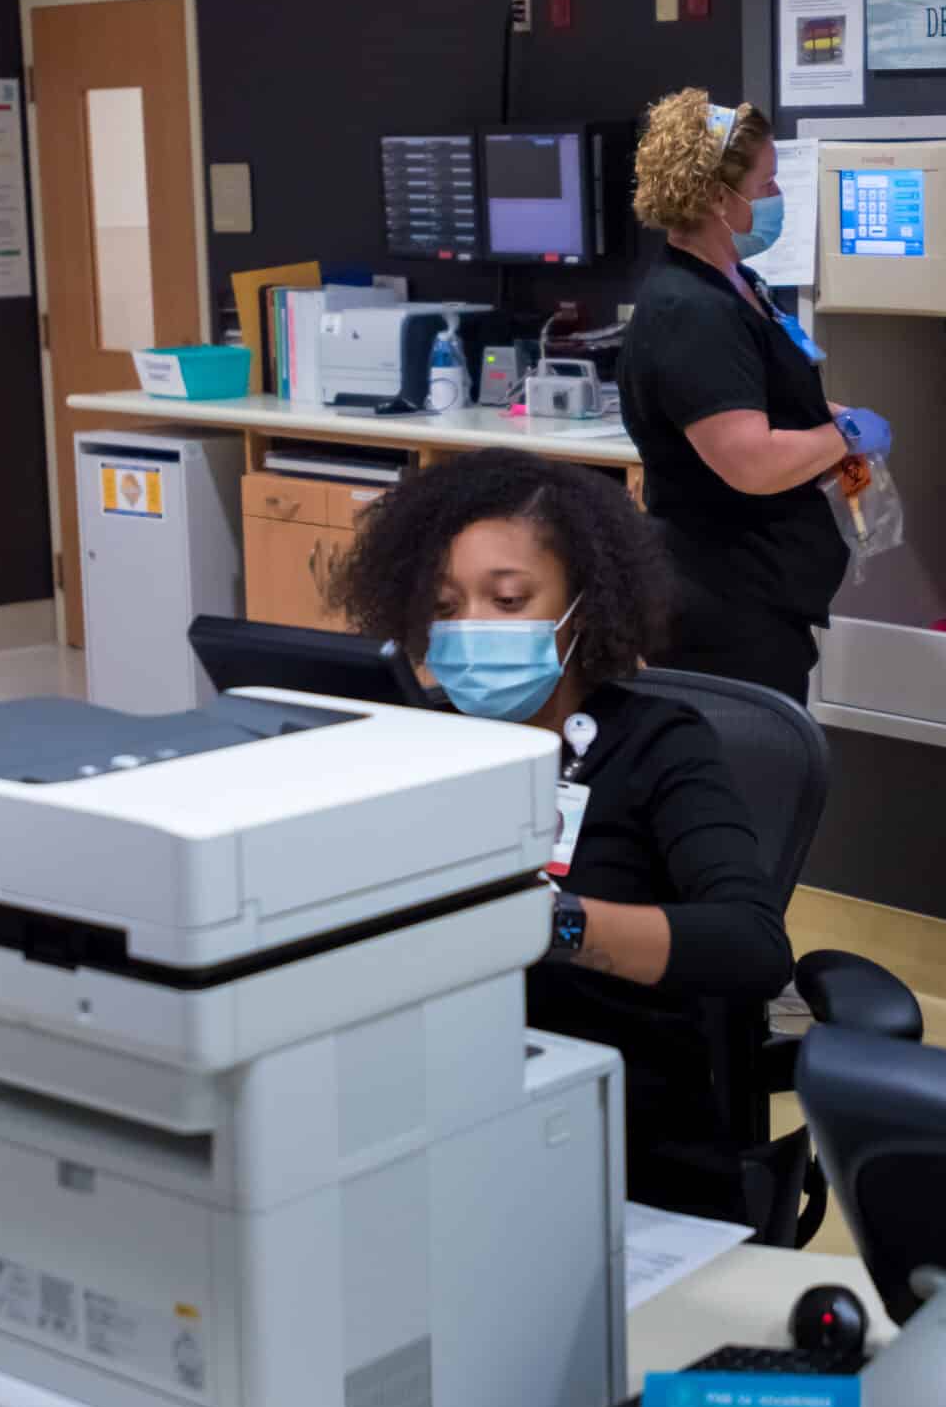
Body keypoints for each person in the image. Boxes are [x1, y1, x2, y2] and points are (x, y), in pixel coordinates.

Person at [331, 447, 795, 1226]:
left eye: (508, 600)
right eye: (448, 605)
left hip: (627, 1151)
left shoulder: (658, 745)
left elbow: (752, 944)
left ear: (587, 603)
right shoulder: (420, 739)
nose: (472, 628)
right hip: (446, 1133)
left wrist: (557, 922)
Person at [616, 89, 892, 703]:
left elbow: (762, 398)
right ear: (717, 197)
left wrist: (826, 417)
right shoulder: (689, 311)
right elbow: (750, 461)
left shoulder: (740, 285)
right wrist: (842, 437)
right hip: (720, 608)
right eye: (766, 185)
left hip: (763, 595)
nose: (776, 200)